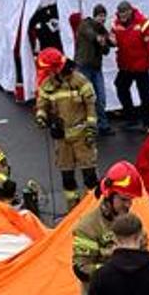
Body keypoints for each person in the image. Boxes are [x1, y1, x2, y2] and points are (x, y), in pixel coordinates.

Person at [34, 49, 100, 205]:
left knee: (90, 176)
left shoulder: (79, 81)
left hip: (82, 135)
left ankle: (94, 207)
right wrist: (41, 117)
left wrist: (91, 127)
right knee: (67, 178)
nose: (47, 73)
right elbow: (42, 105)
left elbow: (91, 105)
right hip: (62, 137)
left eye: (48, 70)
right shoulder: (47, 84)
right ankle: (73, 208)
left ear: (56, 67)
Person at [72, 162, 145, 294]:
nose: (128, 205)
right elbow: (82, 270)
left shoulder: (133, 223)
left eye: (131, 200)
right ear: (109, 195)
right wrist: (116, 271)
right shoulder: (88, 227)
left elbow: (144, 253)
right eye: (124, 199)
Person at [111, 1, 149, 131]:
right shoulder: (116, 25)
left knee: (144, 93)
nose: (122, 15)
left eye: (124, 12)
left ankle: (147, 122)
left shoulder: (144, 24)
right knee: (121, 87)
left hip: (140, 65)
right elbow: (113, 41)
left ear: (130, 11)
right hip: (125, 65)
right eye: (120, 13)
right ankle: (131, 117)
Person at [76, 4, 114, 135]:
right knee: (87, 97)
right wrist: (102, 39)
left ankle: (103, 125)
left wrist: (106, 43)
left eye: (104, 16)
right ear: (95, 16)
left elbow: (107, 50)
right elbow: (91, 35)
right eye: (100, 16)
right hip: (83, 67)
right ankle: (87, 126)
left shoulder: (102, 30)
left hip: (96, 68)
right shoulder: (85, 24)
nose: (102, 18)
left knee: (101, 97)